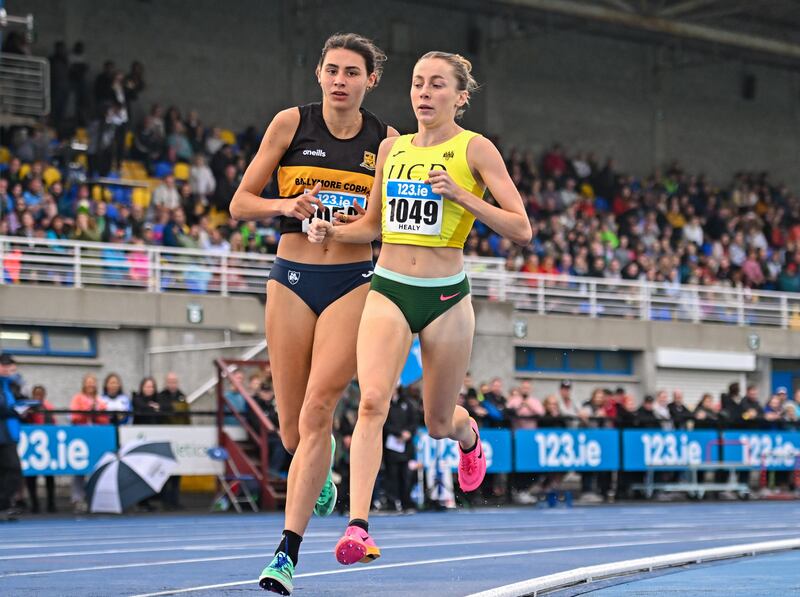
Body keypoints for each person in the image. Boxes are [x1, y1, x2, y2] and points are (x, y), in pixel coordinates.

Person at [308, 50, 531, 565]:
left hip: (447, 297)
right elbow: (372, 225)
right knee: (371, 404)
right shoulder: (393, 149)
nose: (424, 93)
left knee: (435, 422)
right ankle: (358, 527)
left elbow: (521, 228)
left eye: (436, 85)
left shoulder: (476, 150)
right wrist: (332, 230)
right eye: (417, 83)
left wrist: (461, 195)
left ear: (460, 96)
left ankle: (467, 435)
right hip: (388, 286)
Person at [228, 33, 396, 595]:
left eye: (352, 72)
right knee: (291, 425)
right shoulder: (289, 124)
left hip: (351, 278)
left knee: (321, 407)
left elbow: (378, 224)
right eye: (332, 70)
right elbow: (240, 203)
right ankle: (313, 470)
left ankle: (285, 554)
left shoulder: (386, 140)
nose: (340, 80)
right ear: (318, 75)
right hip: (291, 277)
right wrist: (288, 207)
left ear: (371, 80)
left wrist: (338, 229)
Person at [70, 373, 109, 512]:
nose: (91, 385)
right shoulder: (78, 398)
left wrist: (97, 412)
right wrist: (88, 411)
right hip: (81, 437)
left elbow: (106, 419)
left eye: (93, 382)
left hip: (96, 437)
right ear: (84, 384)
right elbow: (74, 417)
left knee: (97, 468)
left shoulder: (100, 400)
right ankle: (77, 498)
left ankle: (94, 498)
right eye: (88, 382)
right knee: (79, 468)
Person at [22, 385, 57, 513]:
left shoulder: (48, 407)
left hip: (46, 445)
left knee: (49, 475)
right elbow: (24, 420)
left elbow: (53, 423)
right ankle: (34, 503)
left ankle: (51, 503)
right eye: (36, 394)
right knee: (31, 477)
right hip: (33, 444)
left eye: (40, 394)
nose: (38, 396)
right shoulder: (28, 407)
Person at [0, 354, 26, 521]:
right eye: (8, 367)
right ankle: (3, 504)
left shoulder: (10, 385)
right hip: (3, 435)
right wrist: (16, 411)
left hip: (9, 433)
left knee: (5, 472)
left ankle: (5, 506)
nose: (11, 371)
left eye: (13, 368)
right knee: (14, 469)